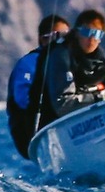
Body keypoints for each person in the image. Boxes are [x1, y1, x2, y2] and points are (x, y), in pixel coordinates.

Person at [34, 8, 105, 133]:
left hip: (88, 123)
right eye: (87, 32)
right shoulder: (61, 56)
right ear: (77, 33)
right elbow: (62, 105)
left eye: (97, 34)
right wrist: (98, 98)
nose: (92, 39)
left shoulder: (100, 61)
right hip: (55, 127)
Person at [6, 14, 69, 157]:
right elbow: (22, 99)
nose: (64, 40)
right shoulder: (28, 63)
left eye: (68, 35)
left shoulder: (68, 62)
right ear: (43, 39)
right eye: (59, 35)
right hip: (30, 128)